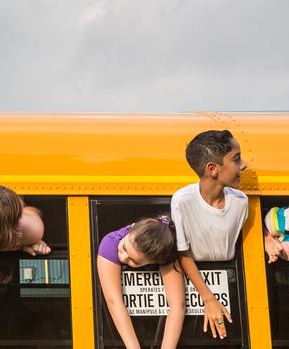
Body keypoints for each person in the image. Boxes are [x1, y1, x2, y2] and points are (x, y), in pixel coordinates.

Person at [171, 130, 248, 340]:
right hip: (194, 287)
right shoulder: (182, 201)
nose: (244, 165)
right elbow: (183, 253)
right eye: (236, 159)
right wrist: (208, 299)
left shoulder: (241, 202)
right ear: (212, 169)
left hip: (232, 283)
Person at [97, 215, 184, 349]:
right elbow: (114, 303)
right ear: (132, 227)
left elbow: (178, 305)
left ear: (156, 261)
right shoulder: (111, 244)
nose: (123, 257)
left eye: (134, 261)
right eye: (125, 247)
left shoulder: (165, 253)